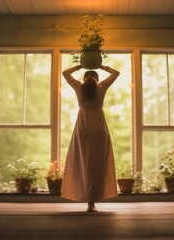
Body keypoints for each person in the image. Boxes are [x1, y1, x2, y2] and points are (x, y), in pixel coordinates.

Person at [61, 64, 120, 212]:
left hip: (83, 130)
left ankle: (89, 203)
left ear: (84, 78)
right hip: (99, 130)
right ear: (97, 78)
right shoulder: (101, 87)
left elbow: (65, 73)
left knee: (84, 165)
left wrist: (79, 65)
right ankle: (92, 204)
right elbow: (116, 73)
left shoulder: (78, 87)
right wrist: (102, 66)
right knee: (96, 166)